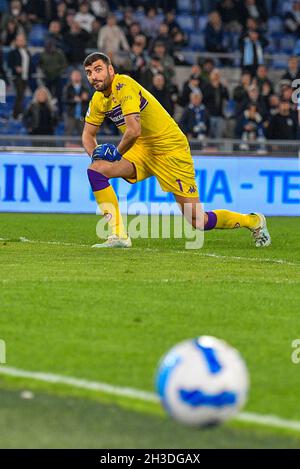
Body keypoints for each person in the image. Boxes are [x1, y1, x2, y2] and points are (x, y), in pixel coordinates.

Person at [82, 52, 271, 248]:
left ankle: (253, 221)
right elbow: (87, 136)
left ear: (110, 70)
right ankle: (119, 235)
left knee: (199, 221)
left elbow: (134, 130)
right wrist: (95, 155)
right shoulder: (98, 100)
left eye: (98, 70)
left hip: (170, 148)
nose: (93, 76)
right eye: (89, 72)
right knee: (96, 170)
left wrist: (116, 154)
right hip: (142, 149)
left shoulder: (123, 85)